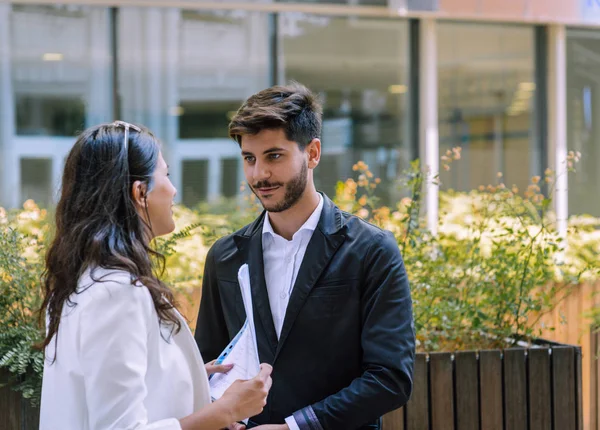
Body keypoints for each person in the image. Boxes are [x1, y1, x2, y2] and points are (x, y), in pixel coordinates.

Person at [195, 83, 415, 430]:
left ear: (312, 153)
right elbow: (209, 365)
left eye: (274, 156)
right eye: (249, 159)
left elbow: (390, 378)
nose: (259, 175)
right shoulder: (225, 257)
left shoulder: (371, 250)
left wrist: (296, 428)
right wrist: (221, 416)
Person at [39, 121, 272, 430]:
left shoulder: (89, 282)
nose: (173, 190)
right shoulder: (115, 292)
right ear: (140, 192)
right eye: (166, 175)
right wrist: (226, 411)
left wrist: (190, 379)